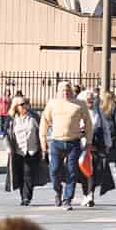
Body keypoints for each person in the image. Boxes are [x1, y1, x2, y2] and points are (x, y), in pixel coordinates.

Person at [41, 81, 90, 210]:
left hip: (73, 142)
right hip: (56, 142)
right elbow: (44, 122)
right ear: (58, 91)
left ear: (71, 91)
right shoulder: (52, 104)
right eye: (63, 90)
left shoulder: (80, 104)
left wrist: (89, 142)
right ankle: (57, 190)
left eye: (67, 90)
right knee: (54, 169)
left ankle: (67, 199)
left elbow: (88, 123)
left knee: (72, 172)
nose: (65, 93)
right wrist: (43, 142)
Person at [5, 95, 42, 206]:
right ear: (16, 107)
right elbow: (6, 134)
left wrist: (43, 146)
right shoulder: (12, 119)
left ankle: (27, 197)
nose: (25, 106)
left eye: (26, 103)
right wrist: (8, 148)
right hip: (18, 151)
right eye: (22, 104)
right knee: (20, 174)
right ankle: (23, 196)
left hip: (32, 150)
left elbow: (42, 131)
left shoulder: (34, 117)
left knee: (28, 173)